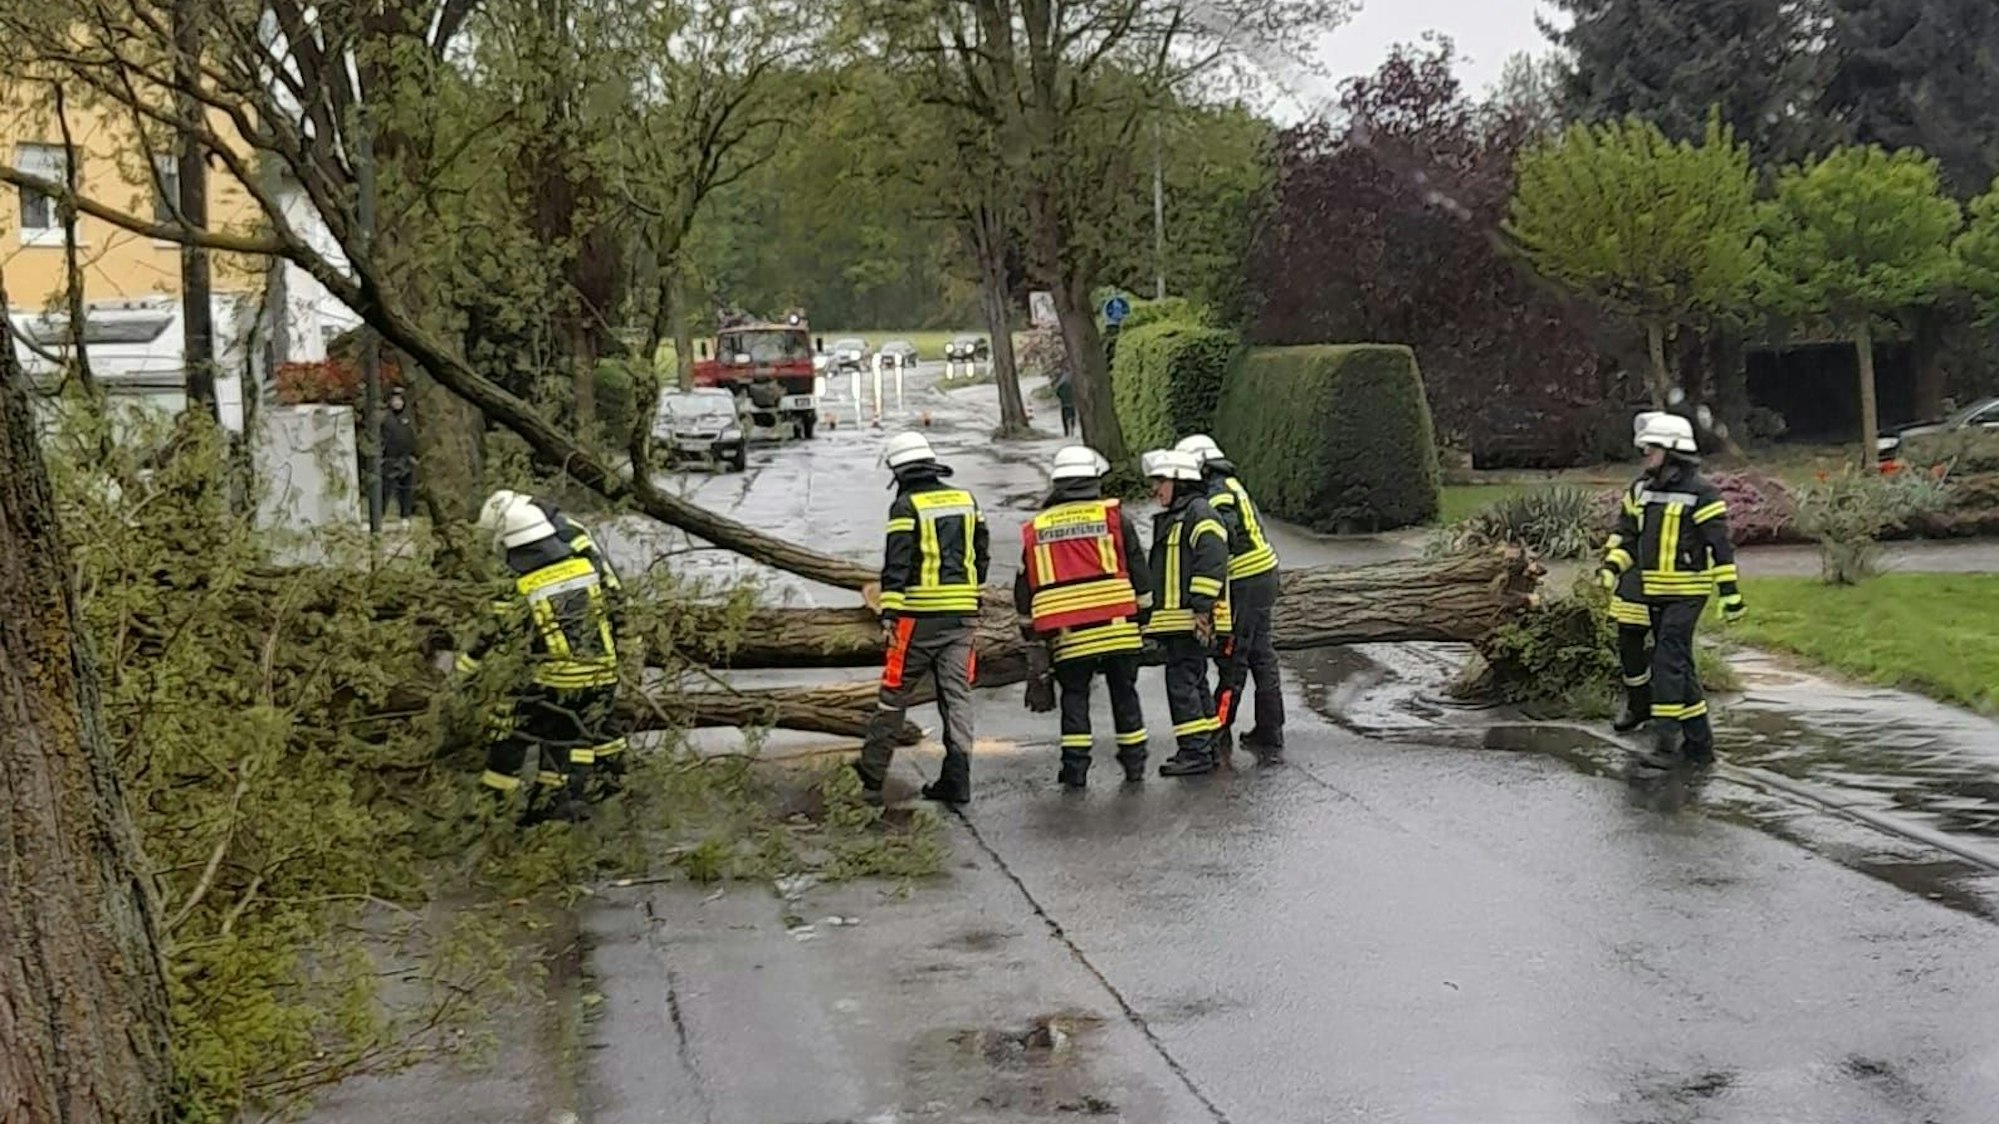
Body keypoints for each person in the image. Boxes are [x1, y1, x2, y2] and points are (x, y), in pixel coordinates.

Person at [457, 491, 627, 825]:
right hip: (601, 673)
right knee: (569, 737)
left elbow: (495, 634)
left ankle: (492, 805)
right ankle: (563, 802)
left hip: (557, 679)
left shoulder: (520, 585)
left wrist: (466, 671)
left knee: (508, 724)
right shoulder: (581, 565)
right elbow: (610, 604)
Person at [1597, 411, 1746, 768]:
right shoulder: (1643, 491)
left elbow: (1719, 546)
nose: (1646, 454)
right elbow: (1629, 536)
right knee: (1681, 666)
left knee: (1667, 661)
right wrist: (1610, 568)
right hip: (1654, 592)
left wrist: (1729, 593)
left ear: (1673, 450)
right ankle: (1699, 746)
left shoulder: (1702, 492)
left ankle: (1666, 741)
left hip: (1687, 593)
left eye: (1652, 448)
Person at [854, 432, 990, 805]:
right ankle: (957, 781)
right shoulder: (966, 499)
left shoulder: (905, 506)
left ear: (898, 470)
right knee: (957, 697)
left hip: (918, 620)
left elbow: (896, 564)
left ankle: (870, 778)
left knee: (894, 695)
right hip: (962, 616)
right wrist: (971, 591)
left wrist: (890, 614)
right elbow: (981, 551)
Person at [1013, 445, 1154, 788]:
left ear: (1058, 483)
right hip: (1119, 627)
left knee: (1074, 697)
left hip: (1068, 634)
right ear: (1093, 481)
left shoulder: (1036, 527)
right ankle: (1134, 764)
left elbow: (1024, 583)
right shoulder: (1114, 518)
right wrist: (1145, 614)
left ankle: (1075, 769)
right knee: (1125, 694)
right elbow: (1137, 565)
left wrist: (1030, 631)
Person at [1176, 434, 1285, 764]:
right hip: (1263, 574)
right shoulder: (1229, 483)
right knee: (1261, 654)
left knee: (1233, 657)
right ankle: (1270, 729)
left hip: (1245, 581)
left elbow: (1224, 533)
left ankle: (1219, 728)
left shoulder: (1217, 492)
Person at [1142, 448, 1231, 778]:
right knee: (1193, 682)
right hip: (1176, 620)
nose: (1155, 490)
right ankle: (1204, 746)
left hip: (1188, 619)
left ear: (1180, 482)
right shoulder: (1182, 514)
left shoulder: (1198, 513)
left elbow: (1213, 558)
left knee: (1182, 684)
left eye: (1160, 482)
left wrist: (1201, 607)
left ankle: (1194, 751)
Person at [381, 387, 417, 520]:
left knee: (406, 490)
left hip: (406, 459)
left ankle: (405, 516)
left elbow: (414, 436)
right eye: (394, 400)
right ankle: (380, 515)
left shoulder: (410, 417)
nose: (397, 402)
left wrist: (413, 455)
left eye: (399, 400)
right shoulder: (385, 418)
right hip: (389, 459)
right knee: (385, 490)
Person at [1052, 365, 1077, 437]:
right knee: (1072, 415)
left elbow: (1056, 390)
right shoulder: (1073, 379)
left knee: (1065, 417)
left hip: (1064, 402)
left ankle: (1066, 432)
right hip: (1072, 402)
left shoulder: (1062, 381)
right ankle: (1072, 429)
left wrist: (1060, 397)